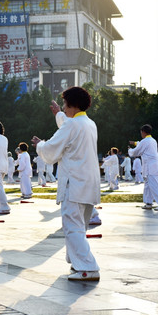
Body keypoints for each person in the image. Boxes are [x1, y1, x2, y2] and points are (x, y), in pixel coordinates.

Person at [32, 86, 100, 281]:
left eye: (64, 104)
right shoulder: (89, 123)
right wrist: (59, 115)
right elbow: (69, 129)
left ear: (73, 105)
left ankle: (88, 267)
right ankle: (76, 262)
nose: (63, 106)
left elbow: (52, 150)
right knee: (80, 226)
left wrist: (40, 146)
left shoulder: (71, 126)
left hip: (75, 184)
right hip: (89, 183)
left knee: (72, 226)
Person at [128, 124, 158, 211]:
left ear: (143, 132)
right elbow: (140, 145)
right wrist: (135, 143)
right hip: (152, 165)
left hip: (151, 166)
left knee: (154, 184)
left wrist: (129, 150)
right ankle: (148, 203)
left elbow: (136, 151)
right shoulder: (152, 140)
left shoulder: (145, 141)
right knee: (147, 185)